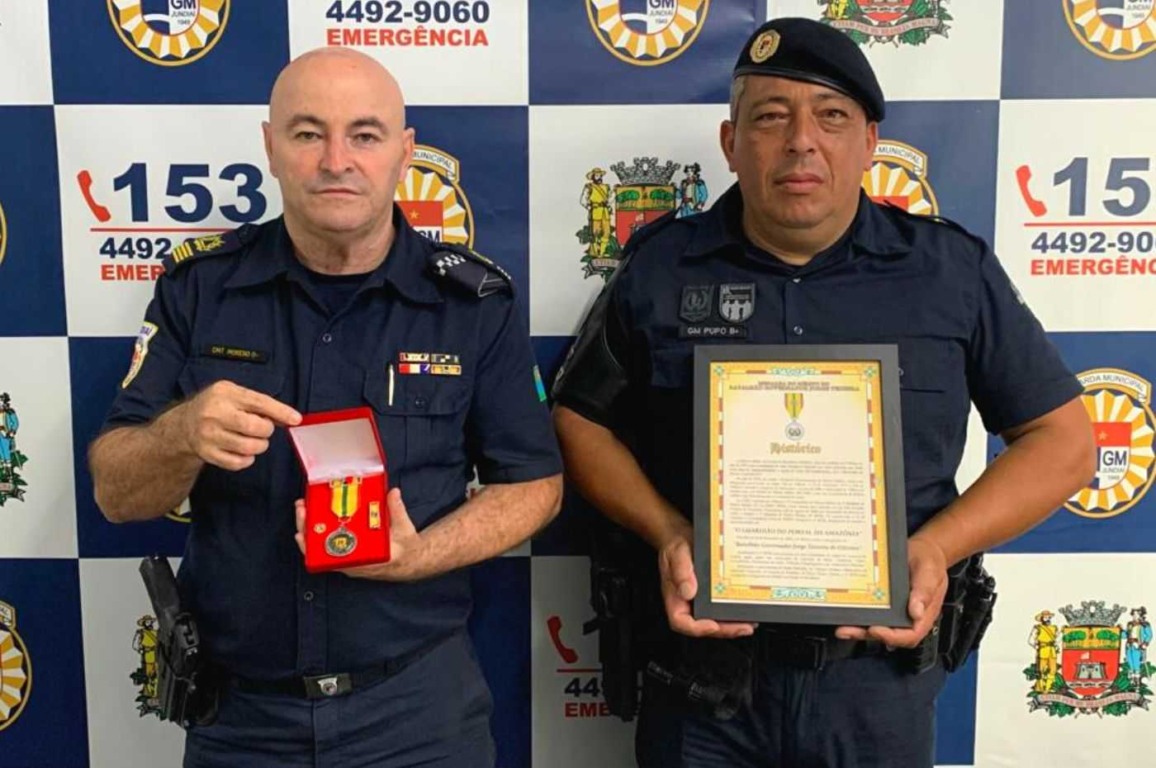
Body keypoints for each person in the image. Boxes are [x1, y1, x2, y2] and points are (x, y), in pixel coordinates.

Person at [551, 17, 1095, 768]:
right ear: (729, 142)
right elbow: (580, 420)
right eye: (770, 117)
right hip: (702, 682)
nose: (801, 140)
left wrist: (937, 548)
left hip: (875, 687)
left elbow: (1064, 442)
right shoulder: (661, 269)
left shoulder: (949, 272)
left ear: (870, 141)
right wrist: (668, 532)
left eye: (831, 116)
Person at [89, 47, 562, 768]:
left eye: (365, 135)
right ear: (270, 147)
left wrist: (419, 556)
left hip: (416, 711)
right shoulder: (199, 288)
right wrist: (181, 434)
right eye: (308, 133)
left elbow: (535, 483)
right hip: (242, 718)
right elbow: (116, 493)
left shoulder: (473, 304)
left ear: (405, 153)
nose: (337, 159)